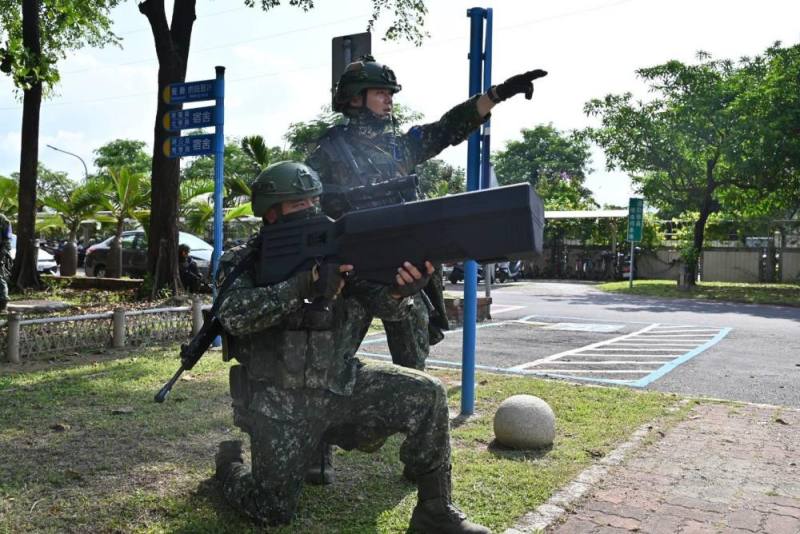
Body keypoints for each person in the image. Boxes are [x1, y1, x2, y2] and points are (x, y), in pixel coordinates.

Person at [213, 161, 489, 533]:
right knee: (271, 509)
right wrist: (302, 286)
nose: (312, 209)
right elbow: (233, 316)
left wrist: (402, 290)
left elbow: (385, 305)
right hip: (279, 403)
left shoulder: (342, 250)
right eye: (300, 204)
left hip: (342, 386)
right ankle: (229, 467)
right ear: (272, 212)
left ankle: (435, 511)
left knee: (428, 395)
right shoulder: (243, 260)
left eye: (315, 200)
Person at [308, 55, 547, 372]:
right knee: (328, 368)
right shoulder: (329, 152)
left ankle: (414, 413)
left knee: (413, 369)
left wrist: (497, 94)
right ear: (355, 97)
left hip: (403, 270)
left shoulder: (401, 148)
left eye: (391, 93)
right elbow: (304, 207)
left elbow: (448, 128)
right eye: (381, 92)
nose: (389, 99)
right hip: (353, 273)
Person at [0, 213, 12, 313]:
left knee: (0, 278)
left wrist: (2, 254)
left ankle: (3, 304)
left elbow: (7, 240)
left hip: (0, 253)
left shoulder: (3, 219)